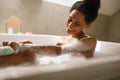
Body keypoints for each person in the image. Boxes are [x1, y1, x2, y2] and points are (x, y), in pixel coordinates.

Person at [0, 0, 100, 66]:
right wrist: (23, 45)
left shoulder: (90, 41)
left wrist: (23, 47)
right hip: (50, 65)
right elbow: (47, 54)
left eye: (77, 23)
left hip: (62, 72)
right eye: (69, 19)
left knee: (27, 56)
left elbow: (58, 51)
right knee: (27, 42)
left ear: (87, 25)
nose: (70, 25)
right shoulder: (63, 39)